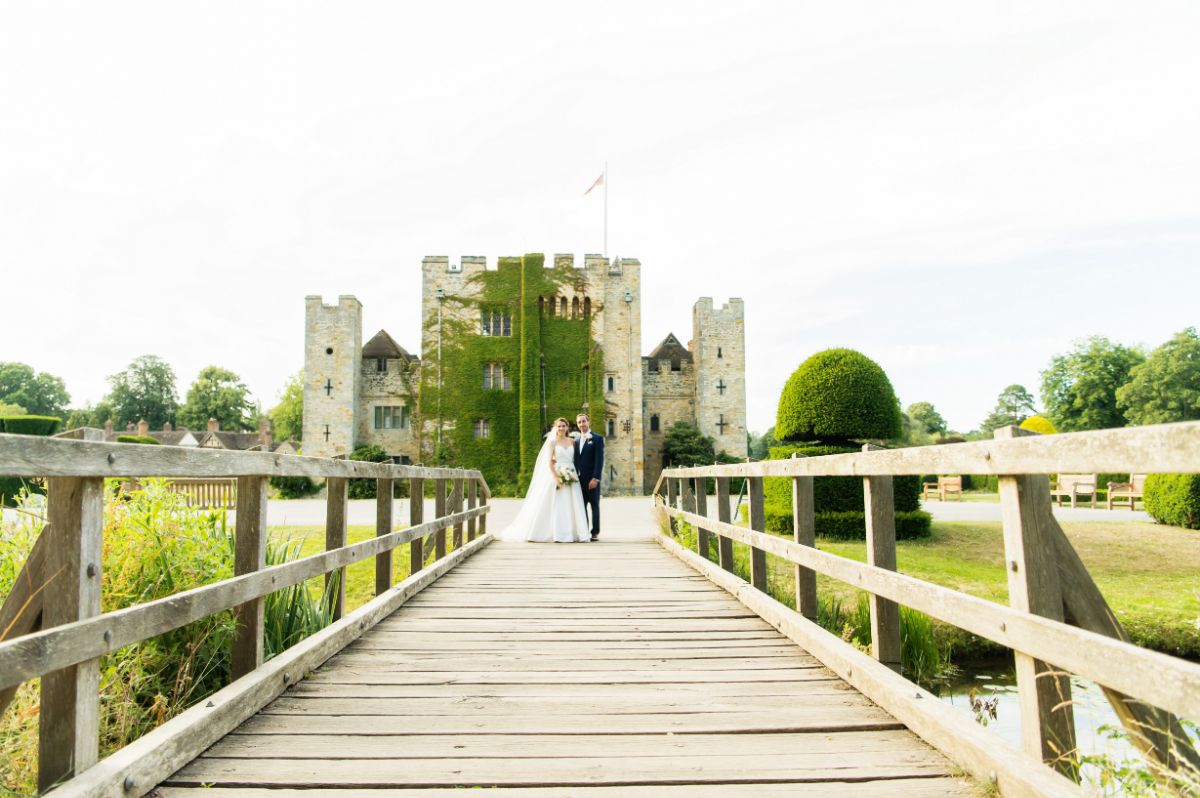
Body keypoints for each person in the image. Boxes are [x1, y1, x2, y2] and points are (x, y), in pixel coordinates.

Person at [497, 417, 591, 543]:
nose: (561, 428)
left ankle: (573, 533)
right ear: (556, 428)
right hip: (557, 473)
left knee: (573, 503)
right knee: (558, 504)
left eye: (564, 426)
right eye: (559, 426)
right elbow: (549, 463)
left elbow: (576, 459)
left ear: (567, 427)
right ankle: (557, 533)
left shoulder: (573, 442)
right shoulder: (552, 443)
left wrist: (576, 474)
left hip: (572, 474)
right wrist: (556, 478)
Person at [574, 412, 604, 541]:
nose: (582, 424)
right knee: (582, 506)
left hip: (592, 479)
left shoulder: (597, 438)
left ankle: (595, 532)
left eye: (583, 421)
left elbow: (599, 460)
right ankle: (584, 530)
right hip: (578, 480)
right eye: (579, 422)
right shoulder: (575, 440)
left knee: (594, 505)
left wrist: (596, 478)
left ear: (588, 422)